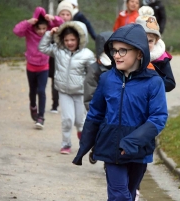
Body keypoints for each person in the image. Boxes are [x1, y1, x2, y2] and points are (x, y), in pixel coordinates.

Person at [72, 23, 168, 200]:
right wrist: (85, 145)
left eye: (123, 51)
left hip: (139, 150)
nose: (116, 55)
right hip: (111, 148)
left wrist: (132, 142)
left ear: (139, 52)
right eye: (114, 50)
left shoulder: (154, 82)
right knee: (120, 196)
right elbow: (96, 113)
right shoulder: (107, 79)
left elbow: (158, 118)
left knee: (129, 194)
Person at [38, 21, 95, 154]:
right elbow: (42, 47)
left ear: (80, 38)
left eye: (73, 39)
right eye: (66, 40)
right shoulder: (58, 50)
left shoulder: (87, 54)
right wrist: (49, 34)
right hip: (64, 91)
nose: (69, 42)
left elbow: (93, 75)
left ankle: (83, 138)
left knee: (80, 121)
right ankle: (66, 144)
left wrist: (92, 91)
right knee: (67, 119)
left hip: (80, 92)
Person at [13, 7, 64, 129]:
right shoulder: (29, 31)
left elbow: (62, 24)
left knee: (41, 91)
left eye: (44, 28)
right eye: (39, 28)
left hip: (44, 66)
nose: (41, 31)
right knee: (33, 91)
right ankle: (33, 106)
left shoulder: (49, 32)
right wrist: (28, 22)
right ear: (34, 27)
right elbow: (16, 31)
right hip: (31, 66)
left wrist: (53, 18)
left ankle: (41, 117)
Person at [83, 31, 113, 167]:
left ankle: (109, 163)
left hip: (115, 109)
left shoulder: (120, 66)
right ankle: (95, 149)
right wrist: (93, 109)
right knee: (100, 134)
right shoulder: (95, 69)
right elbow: (89, 91)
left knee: (113, 137)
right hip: (100, 109)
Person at [136, 6, 175, 92]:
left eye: (150, 41)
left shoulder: (161, 58)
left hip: (154, 99)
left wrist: (153, 83)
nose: (146, 44)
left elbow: (170, 83)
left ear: (156, 41)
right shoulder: (130, 54)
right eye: (142, 40)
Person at [49, 1, 73, 113]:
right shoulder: (54, 28)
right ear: (58, 15)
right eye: (62, 14)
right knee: (55, 80)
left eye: (67, 14)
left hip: (69, 58)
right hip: (56, 58)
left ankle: (68, 102)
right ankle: (55, 103)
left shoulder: (74, 28)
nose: (65, 17)